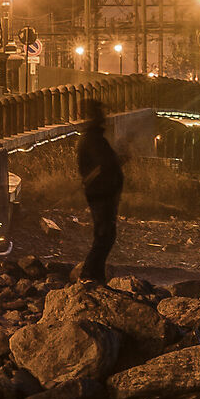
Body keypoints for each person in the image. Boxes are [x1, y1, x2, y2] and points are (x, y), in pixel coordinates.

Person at [77, 98, 125, 285]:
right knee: (104, 235)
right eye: (100, 112)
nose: (104, 116)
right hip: (101, 194)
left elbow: (106, 163)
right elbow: (104, 164)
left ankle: (95, 275)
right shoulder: (93, 139)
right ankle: (89, 275)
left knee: (105, 235)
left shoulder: (95, 138)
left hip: (104, 193)